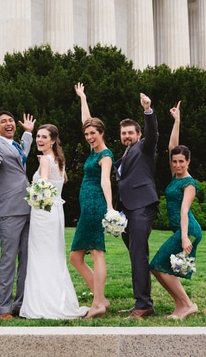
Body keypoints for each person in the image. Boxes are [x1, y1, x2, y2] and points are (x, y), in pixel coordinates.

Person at [79, 84, 160, 319]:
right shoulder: (123, 154)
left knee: (139, 255)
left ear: (138, 134)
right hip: (128, 211)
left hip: (142, 207)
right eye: (123, 133)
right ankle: (141, 302)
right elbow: (89, 126)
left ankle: (143, 304)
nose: (126, 136)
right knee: (136, 256)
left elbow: (153, 133)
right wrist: (83, 99)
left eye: (130, 133)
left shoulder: (144, 148)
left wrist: (148, 111)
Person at [19, 124, 89, 319]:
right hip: (56, 210)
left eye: (43, 137)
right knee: (53, 254)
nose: (40, 140)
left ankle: (43, 304)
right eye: (38, 136)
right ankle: (57, 299)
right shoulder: (59, 160)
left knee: (40, 255)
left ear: (52, 140)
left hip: (43, 211)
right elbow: (63, 180)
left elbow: (41, 186)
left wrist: (34, 190)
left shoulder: (46, 161)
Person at [0, 111, 36, 320]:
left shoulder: (16, 147)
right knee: (8, 259)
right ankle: (3, 308)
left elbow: (23, 154)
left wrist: (28, 134)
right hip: (9, 211)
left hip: (27, 208)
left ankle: (19, 304)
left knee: (26, 259)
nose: (8, 123)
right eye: (3, 121)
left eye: (10, 120)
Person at [70, 83, 117, 319]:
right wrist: (83, 98)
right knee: (75, 257)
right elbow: (86, 120)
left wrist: (109, 208)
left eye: (93, 133)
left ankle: (98, 302)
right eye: (87, 134)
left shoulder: (105, 155)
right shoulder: (92, 150)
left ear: (102, 133)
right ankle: (100, 298)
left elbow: (105, 181)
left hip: (95, 206)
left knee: (97, 253)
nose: (89, 136)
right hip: (87, 205)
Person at [150, 144, 202, 319]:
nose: (177, 165)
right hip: (181, 231)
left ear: (188, 161)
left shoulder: (189, 184)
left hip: (189, 231)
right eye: (174, 161)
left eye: (181, 161)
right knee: (157, 268)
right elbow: (172, 145)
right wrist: (177, 121)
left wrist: (185, 237)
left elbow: (184, 210)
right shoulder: (175, 177)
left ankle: (186, 304)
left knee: (159, 264)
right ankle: (182, 304)